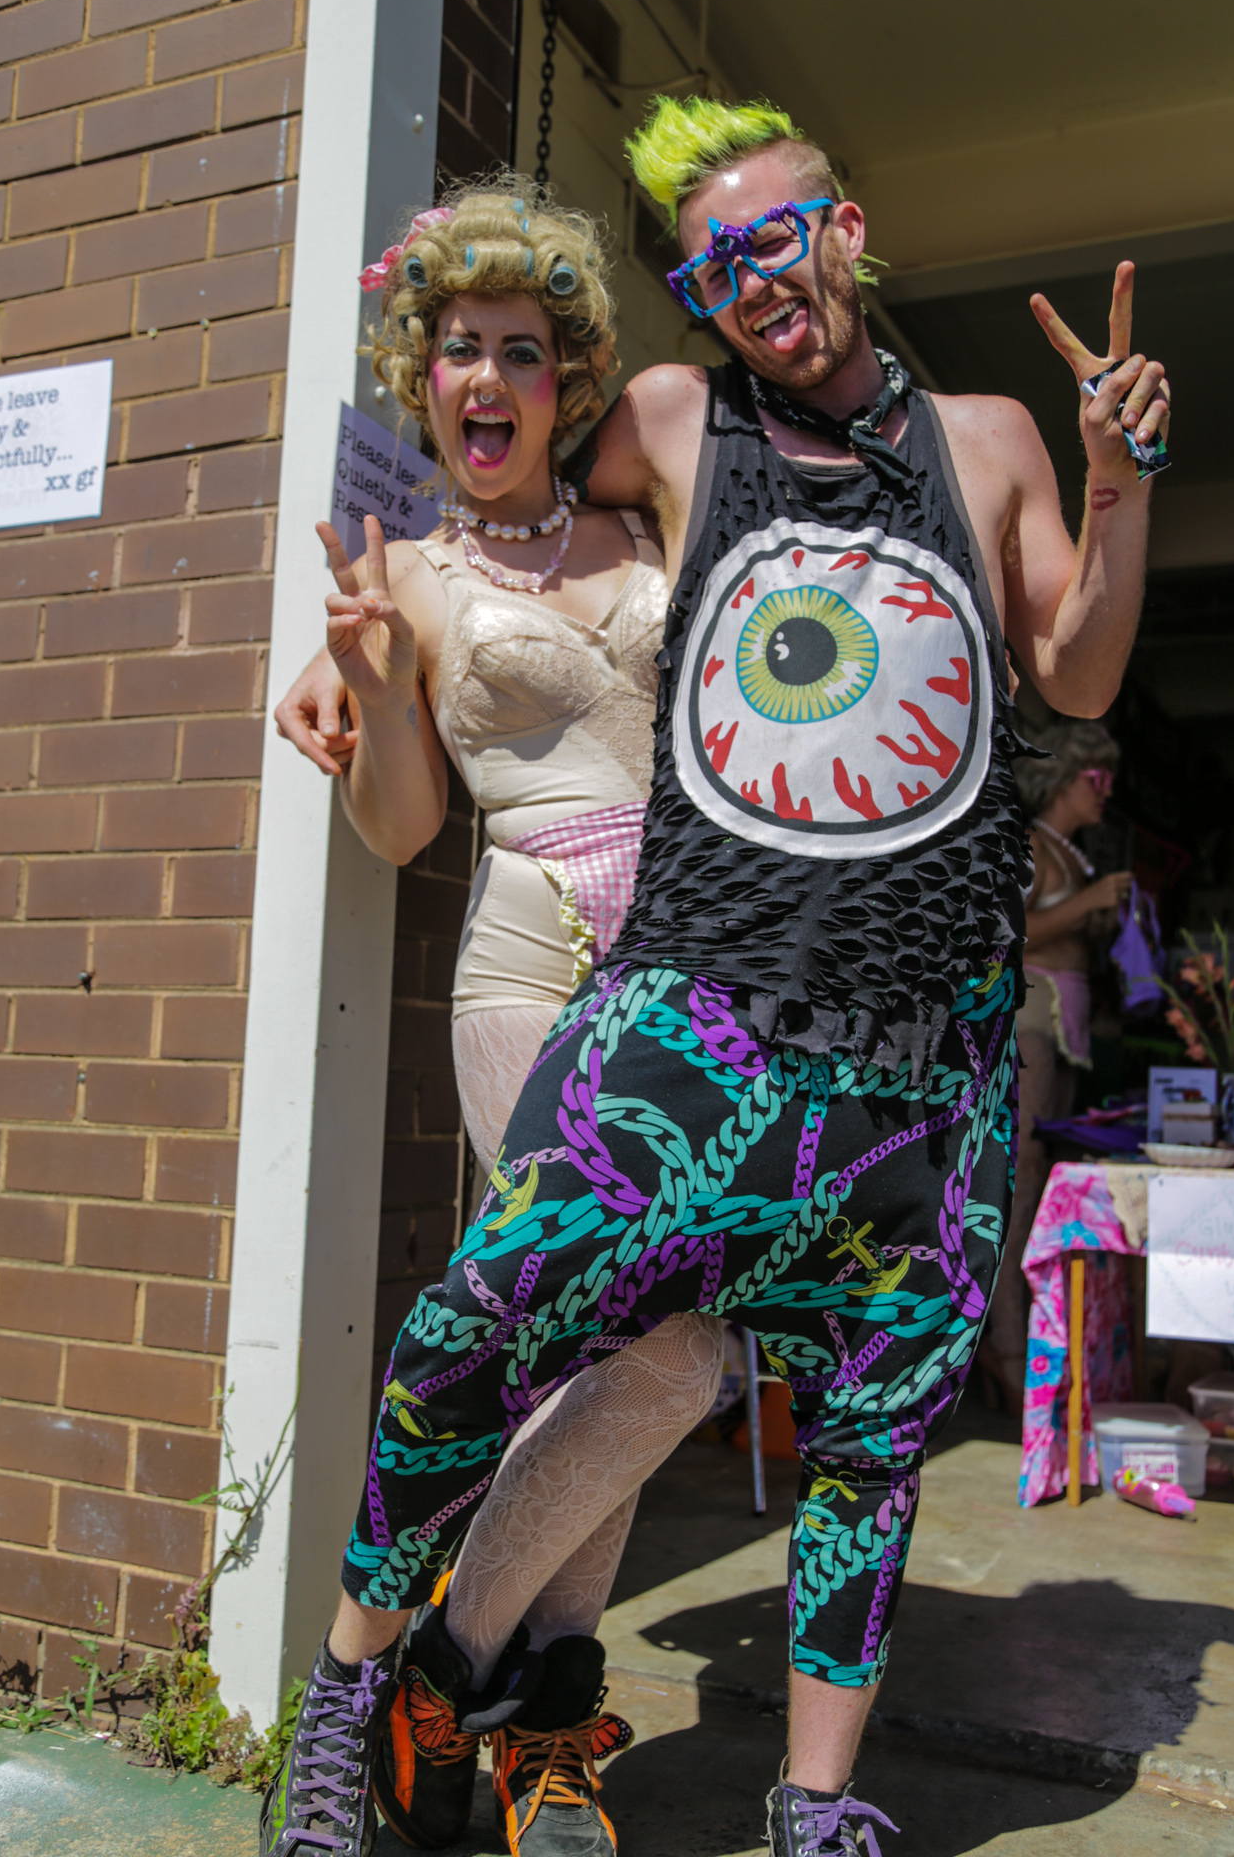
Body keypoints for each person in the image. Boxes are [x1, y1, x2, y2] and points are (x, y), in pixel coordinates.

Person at [269, 96, 1170, 1857]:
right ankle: (382, 1692)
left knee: (790, 1401)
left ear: (849, 232)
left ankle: (618, 1740)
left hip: (870, 1003)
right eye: (713, 266)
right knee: (548, 1335)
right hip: (627, 979)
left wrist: (1119, 473)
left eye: (778, 239)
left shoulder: (954, 445)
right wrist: (355, 649)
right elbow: (486, 501)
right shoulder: (666, 430)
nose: (755, 282)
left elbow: (1066, 668)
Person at [266, 181, 724, 1857]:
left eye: (521, 352)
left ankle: (481, 1699)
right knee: (670, 1347)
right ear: (426, 372)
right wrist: (376, 678)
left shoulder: (644, 525)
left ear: (564, 380)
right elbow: (400, 829)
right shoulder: (404, 572)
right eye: (460, 347)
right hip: (531, 969)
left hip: (692, 982)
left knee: (624, 1358)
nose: (488, 377)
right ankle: (423, 1691)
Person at [980, 723, 1130, 1410]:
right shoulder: (1035, 843)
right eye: (1096, 778)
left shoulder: (1070, 850)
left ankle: (1037, 1346)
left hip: (1064, 1030)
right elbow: (1012, 931)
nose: (1105, 791)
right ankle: (1006, 1348)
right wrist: (1090, 904)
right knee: (1020, 1184)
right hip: (1032, 1024)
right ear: (1065, 779)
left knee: (1046, 1189)